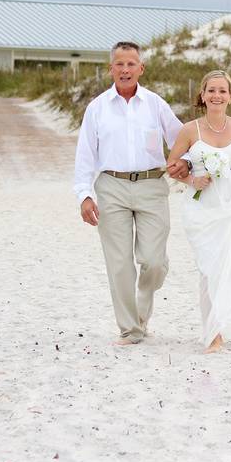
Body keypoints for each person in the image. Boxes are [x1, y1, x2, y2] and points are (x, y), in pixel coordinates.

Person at [73, 41, 189, 346]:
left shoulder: (156, 104)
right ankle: (131, 328)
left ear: (141, 68)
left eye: (131, 64)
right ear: (110, 69)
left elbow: (182, 139)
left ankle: (144, 300)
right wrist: (84, 195)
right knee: (120, 263)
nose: (125, 70)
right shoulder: (97, 108)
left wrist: (186, 163)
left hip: (152, 186)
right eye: (119, 64)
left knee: (152, 261)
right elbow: (85, 155)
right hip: (111, 187)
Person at [167, 70, 231, 353]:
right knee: (209, 270)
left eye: (222, 91)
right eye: (211, 90)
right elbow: (171, 166)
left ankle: (218, 332)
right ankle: (212, 332)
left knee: (228, 268)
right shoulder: (189, 130)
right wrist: (192, 179)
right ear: (203, 95)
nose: (216, 95)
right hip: (201, 208)